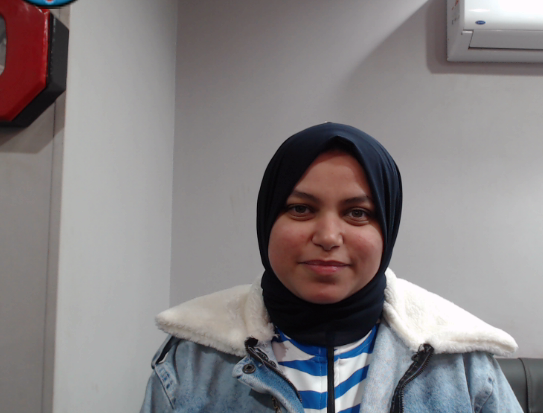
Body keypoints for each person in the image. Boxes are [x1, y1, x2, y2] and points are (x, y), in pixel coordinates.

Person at [140, 123, 523, 413]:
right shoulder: (192, 361)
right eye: (300, 208)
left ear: (387, 228)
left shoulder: (460, 363)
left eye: (357, 213)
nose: (327, 236)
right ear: (267, 219)